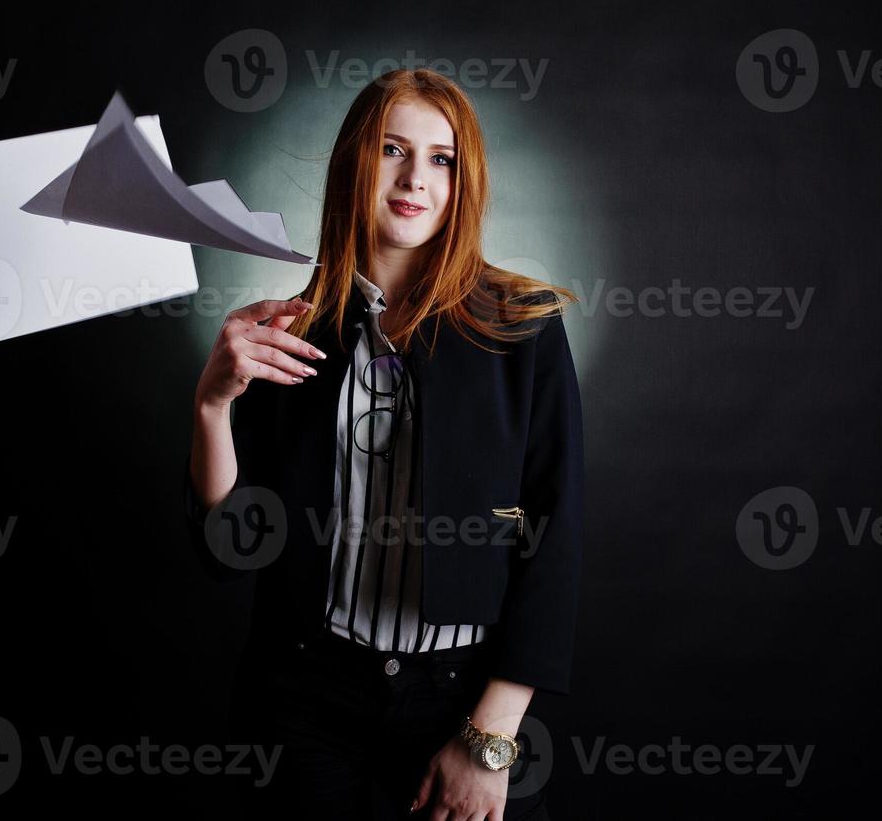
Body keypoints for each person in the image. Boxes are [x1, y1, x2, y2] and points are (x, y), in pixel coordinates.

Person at [182, 68, 583, 820]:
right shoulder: (290, 331)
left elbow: (555, 539)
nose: (414, 178)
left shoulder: (521, 324)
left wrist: (488, 739)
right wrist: (211, 404)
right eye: (391, 149)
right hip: (302, 694)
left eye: (441, 158)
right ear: (352, 166)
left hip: (458, 700)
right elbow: (230, 543)